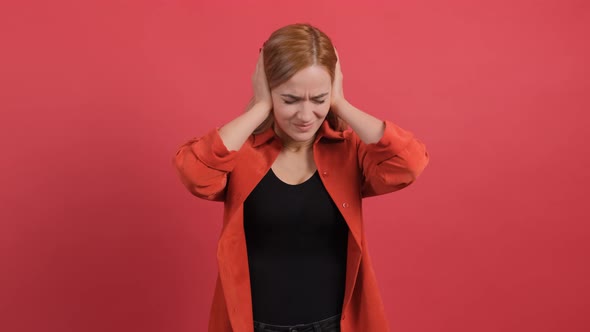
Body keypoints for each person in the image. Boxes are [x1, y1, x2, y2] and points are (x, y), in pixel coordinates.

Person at [173, 23, 429, 332]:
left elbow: (409, 164)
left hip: (334, 325)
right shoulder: (241, 152)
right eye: (290, 100)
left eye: (319, 99)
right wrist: (261, 107)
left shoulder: (348, 150)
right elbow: (194, 173)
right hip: (255, 326)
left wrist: (341, 104)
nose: (305, 115)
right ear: (267, 88)